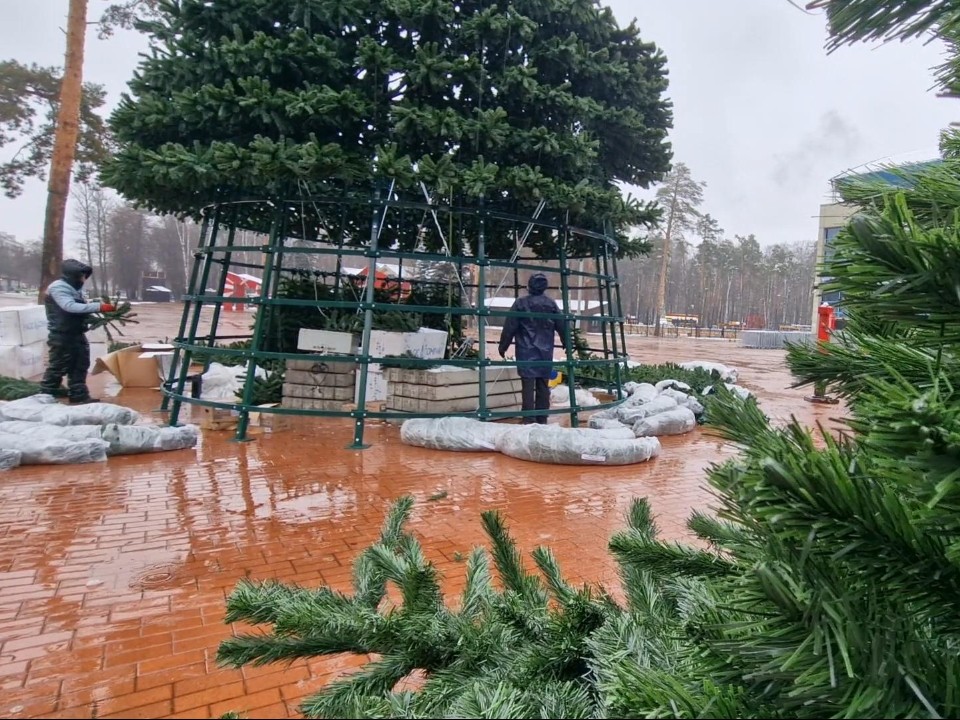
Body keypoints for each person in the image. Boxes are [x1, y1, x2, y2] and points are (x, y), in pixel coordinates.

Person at [39, 259, 115, 404]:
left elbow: (81, 306)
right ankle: (46, 396)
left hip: (76, 333)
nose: (83, 279)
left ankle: (78, 395)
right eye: (81, 276)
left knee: (80, 364)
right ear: (72, 275)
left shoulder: (74, 288)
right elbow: (69, 306)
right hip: (61, 335)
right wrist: (98, 307)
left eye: (84, 276)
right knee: (58, 366)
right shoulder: (58, 288)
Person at [498, 273, 567, 424]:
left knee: (527, 386)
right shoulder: (551, 304)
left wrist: (503, 346)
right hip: (545, 351)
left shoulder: (520, 303)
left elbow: (510, 326)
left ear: (529, 285)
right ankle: (542, 417)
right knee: (543, 385)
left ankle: (528, 418)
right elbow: (562, 325)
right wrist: (567, 343)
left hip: (525, 350)